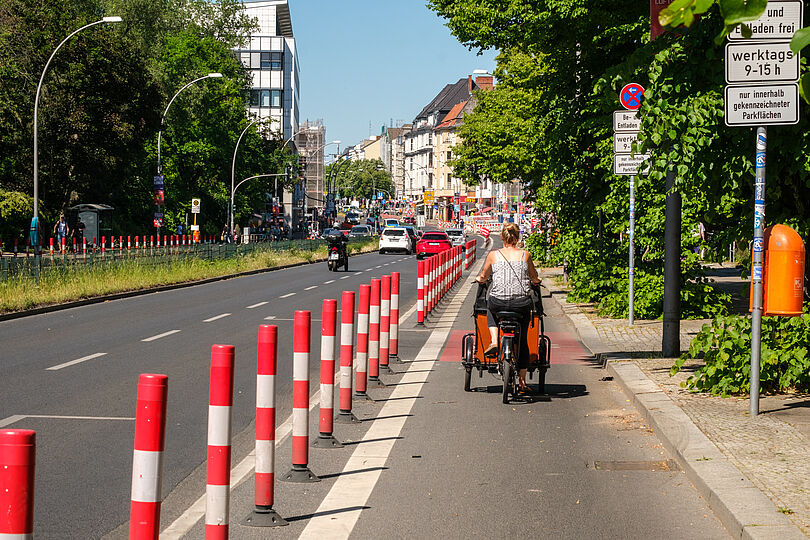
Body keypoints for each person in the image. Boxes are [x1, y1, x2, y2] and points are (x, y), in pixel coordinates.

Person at [476, 222, 542, 395]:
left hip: (498, 302)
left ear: (502, 238)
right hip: (521, 304)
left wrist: (480, 279)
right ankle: (522, 382)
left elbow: (484, 275)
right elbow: (534, 277)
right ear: (517, 238)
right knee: (523, 341)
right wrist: (536, 281)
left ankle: (495, 340)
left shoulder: (493, 255)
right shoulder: (525, 255)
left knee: (490, 308)